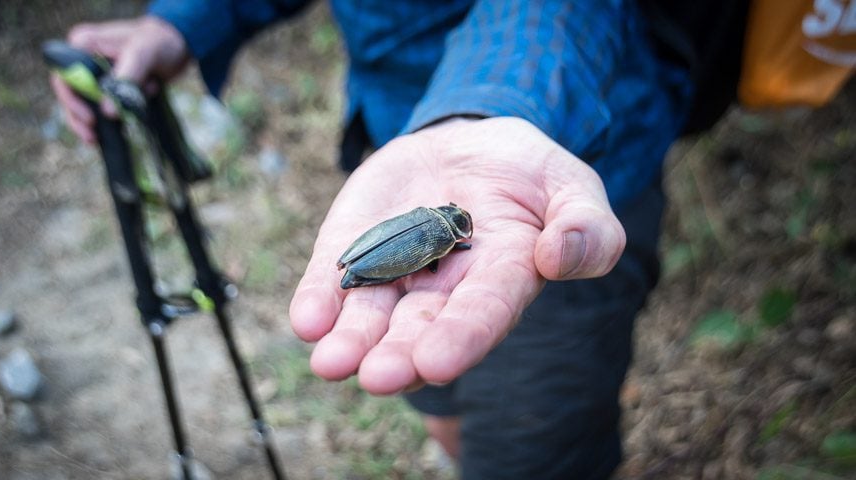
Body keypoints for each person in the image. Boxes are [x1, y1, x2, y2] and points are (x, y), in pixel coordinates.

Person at [51, 1, 740, 478]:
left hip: (548, 177)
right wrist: (185, 21)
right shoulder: (439, 229)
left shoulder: (465, 233)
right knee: (435, 398)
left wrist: (485, 103)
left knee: (532, 449)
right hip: (397, 151)